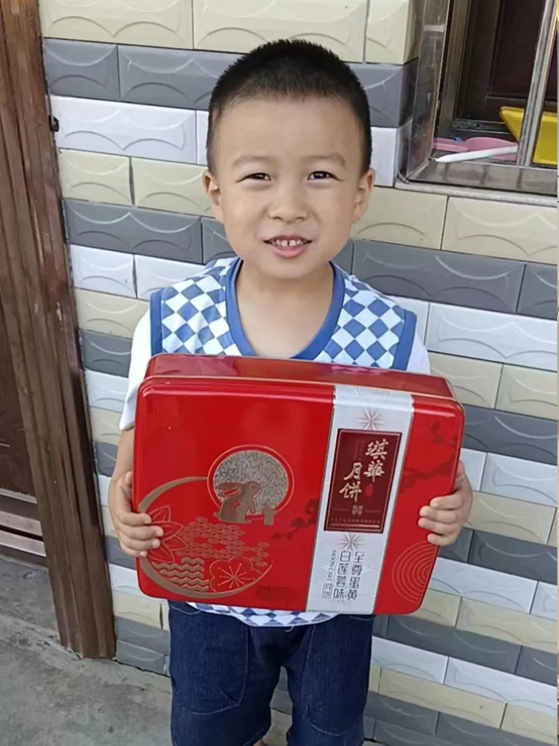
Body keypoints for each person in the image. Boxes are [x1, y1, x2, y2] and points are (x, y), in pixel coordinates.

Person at [108, 39, 473, 746]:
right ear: (216, 192)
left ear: (360, 192)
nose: (288, 205)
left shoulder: (390, 339)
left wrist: (451, 504)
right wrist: (124, 508)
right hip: (209, 602)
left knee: (330, 732)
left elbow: (428, 473)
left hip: (336, 605)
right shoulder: (172, 323)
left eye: (320, 175)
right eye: (258, 176)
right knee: (209, 730)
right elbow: (137, 456)